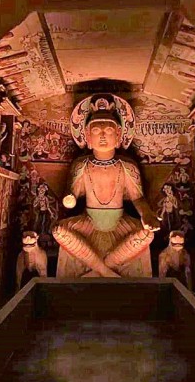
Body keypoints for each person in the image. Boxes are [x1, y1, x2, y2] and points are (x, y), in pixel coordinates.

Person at [53, 95, 160, 278]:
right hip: (88, 221)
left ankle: (98, 268)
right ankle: (108, 271)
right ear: (87, 136)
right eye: (96, 131)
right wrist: (69, 199)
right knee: (58, 231)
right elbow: (71, 195)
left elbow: (137, 198)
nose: (102, 136)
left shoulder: (127, 166)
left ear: (118, 135)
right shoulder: (81, 165)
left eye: (109, 131)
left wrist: (147, 214)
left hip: (120, 221)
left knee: (147, 234)